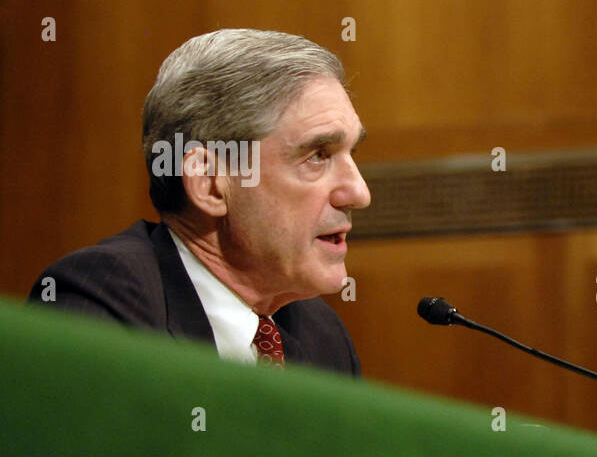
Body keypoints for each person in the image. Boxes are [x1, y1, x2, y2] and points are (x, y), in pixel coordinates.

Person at [27, 29, 369, 375]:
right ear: (209, 184)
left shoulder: (321, 334)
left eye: (350, 153)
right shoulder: (104, 301)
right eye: (317, 155)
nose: (359, 193)